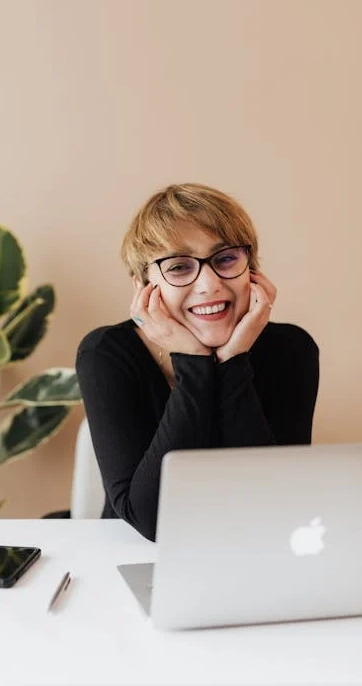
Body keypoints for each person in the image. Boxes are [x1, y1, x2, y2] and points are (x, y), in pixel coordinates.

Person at [76, 183, 319, 541]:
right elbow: (150, 520)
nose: (209, 285)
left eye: (225, 259)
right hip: (133, 557)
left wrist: (233, 361)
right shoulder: (106, 353)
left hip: (253, 551)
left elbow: (276, 504)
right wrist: (193, 362)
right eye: (178, 267)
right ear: (144, 286)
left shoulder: (291, 349)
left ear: (251, 269)